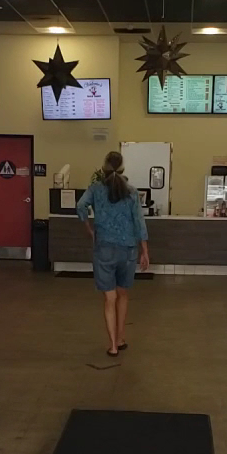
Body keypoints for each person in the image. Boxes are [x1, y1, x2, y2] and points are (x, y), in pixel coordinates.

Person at [76, 151, 150, 357]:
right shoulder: (132, 192)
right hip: (128, 250)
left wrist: (89, 228)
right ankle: (121, 338)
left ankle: (113, 346)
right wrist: (145, 251)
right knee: (123, 294)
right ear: (122, 168)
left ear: (104, 168)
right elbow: (139, 223)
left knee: (110, 298)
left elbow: (80, 206)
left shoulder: (95, 189)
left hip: (104, 249)